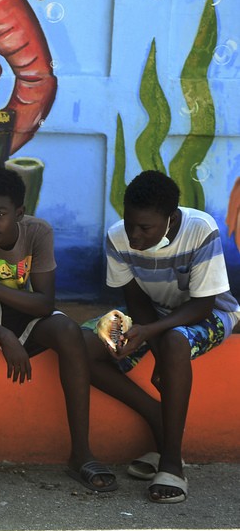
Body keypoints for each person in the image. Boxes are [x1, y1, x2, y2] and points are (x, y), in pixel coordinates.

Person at [0, 167, 117, 492]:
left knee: (67, 331)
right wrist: (2, 334)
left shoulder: (38, 232)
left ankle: (81, 453)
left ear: (19, 214)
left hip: (22, 311)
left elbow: (45, 304)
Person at [81, 170, 240, 504]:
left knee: (175, 342)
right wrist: (152, 341)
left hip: (211, 313)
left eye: (145, 228)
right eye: (130, 224)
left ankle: (171, 461)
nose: (134, 236)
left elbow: (202, 305)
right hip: (151, 315)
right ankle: (156, 415)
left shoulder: (200, 229)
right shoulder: (117, 237)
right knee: (81, 346)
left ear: (170, 219)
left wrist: (156, 339)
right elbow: (136, 301)